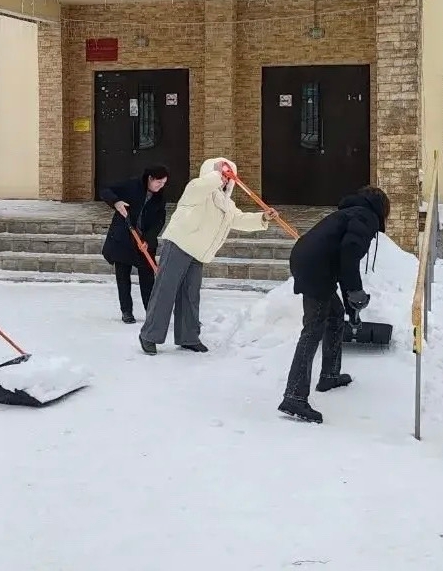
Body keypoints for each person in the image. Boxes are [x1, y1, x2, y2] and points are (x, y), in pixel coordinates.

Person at [139, 157, 278, 355]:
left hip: (199, 252)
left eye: (229, 176)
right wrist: (217, 174)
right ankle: (149, 336)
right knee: (165, 291)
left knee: (190, 296)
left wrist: (263, 217)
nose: (225, 180)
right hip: (179, 244)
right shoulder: (197, 190)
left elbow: (239, 219)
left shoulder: (226, 204)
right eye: (223, 174)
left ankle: (188, 337)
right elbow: (200, 187)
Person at [278, 186, 390, 424]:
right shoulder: (365, 217)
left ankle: (329, 374)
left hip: (308, 261)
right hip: (315, 268)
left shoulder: (350, 214)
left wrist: (352, 306)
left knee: (336, 313)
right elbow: (349, 254)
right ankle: (294, 396)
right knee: (313, 329)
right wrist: (356, 292)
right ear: (381, 208)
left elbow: (342, 266)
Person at [99, 165, 169, 324]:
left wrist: (148, 240)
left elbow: (159, 221)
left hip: (144, 243)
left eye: (164, 183)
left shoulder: (160, 197)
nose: (161, 186)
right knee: (123, 277)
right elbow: (105, 190)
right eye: (159, 182)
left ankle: (151, 312)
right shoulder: (132, 186)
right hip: (123, 239)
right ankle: (126, 311)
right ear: (150, 178)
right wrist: (116, 202)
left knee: (148, 278)